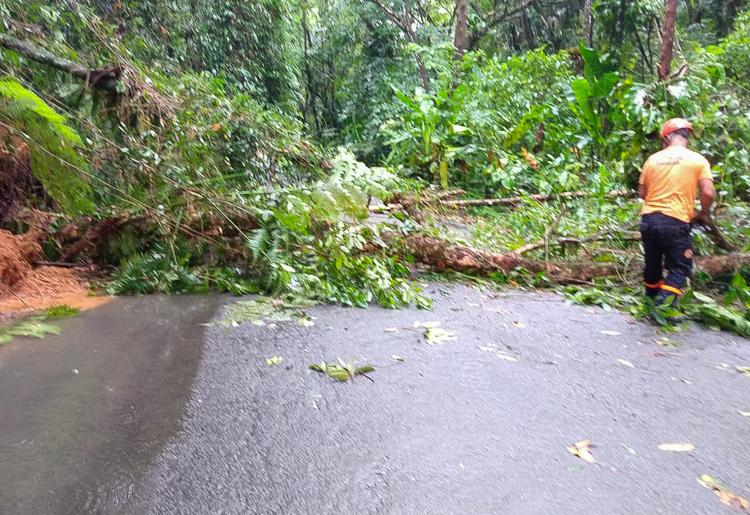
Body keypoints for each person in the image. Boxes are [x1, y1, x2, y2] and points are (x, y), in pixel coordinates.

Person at [638, 118, 716, 306]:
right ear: (686, 136)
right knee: (680, 267)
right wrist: (704, 212)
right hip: (676, 220)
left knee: (652, 265)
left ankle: (650, 300)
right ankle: (663, 306)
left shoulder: (652, 160)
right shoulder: (698, 160)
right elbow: (708, 192)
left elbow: (642, 192)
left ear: (667, 137)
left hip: (649, 219)